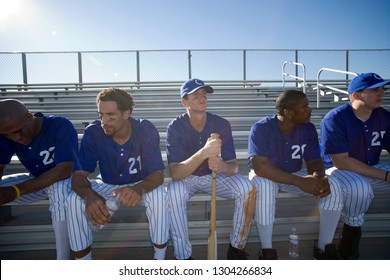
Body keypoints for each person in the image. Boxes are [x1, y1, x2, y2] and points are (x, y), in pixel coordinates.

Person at [66, 87, 169, 260]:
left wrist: (138, 189)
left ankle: (159, 259)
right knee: (73, 199)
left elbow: (158, 175)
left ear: (126, 113)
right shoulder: (93, 131)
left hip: (139, 183)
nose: (104, 121)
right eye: (101, 115)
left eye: (110, 115)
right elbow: (79, 176)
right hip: (107, 183)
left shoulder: (145, 128)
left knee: (159, 195)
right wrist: (90, 196)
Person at [166, 78, 256, 260]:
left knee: (247, 188)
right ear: (184, 102)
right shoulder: (175, 127)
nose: (202, 98)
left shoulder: (221, 124)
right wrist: (204, 153)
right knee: (173, 194)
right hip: (186, 178)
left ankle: (236, 247)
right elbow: (176, 174)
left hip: (213, 175)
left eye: (204, 95)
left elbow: (233, 166)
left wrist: (222, 165)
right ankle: (183, 256)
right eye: (196, 95)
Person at [248, 89, 343, 260]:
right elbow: (260, 167)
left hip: (293, 171)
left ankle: (323, 247)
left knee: (333, 185)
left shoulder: (308, 129)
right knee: (265, 187)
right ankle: (267, 249)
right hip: (267, 174)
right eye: (304, 106)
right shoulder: (261, 127)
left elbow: (314, 161)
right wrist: (299, 181)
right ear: (288, 112)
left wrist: (318, 177)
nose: (309, 109)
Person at [320, 72, 390, 260]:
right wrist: (385, 176)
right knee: (360, 187)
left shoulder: (384, 116)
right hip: (338, 170)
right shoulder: (335, 118)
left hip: (371, 165)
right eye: (375, 90)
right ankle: (350, 238)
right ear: (356, 95)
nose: (382, 93)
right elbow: (341, 160)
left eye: (383, 89)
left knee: (363, 184)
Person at [0, 99, 78, 260]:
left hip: (67, 183)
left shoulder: (59, 125)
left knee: (58, 188)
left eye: (18, 131)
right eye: (7, 134)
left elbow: (64, 170)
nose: (15, 137)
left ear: (29, 117)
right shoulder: (8, 134)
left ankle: (62, 261)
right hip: (36, 181)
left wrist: (16, 190)